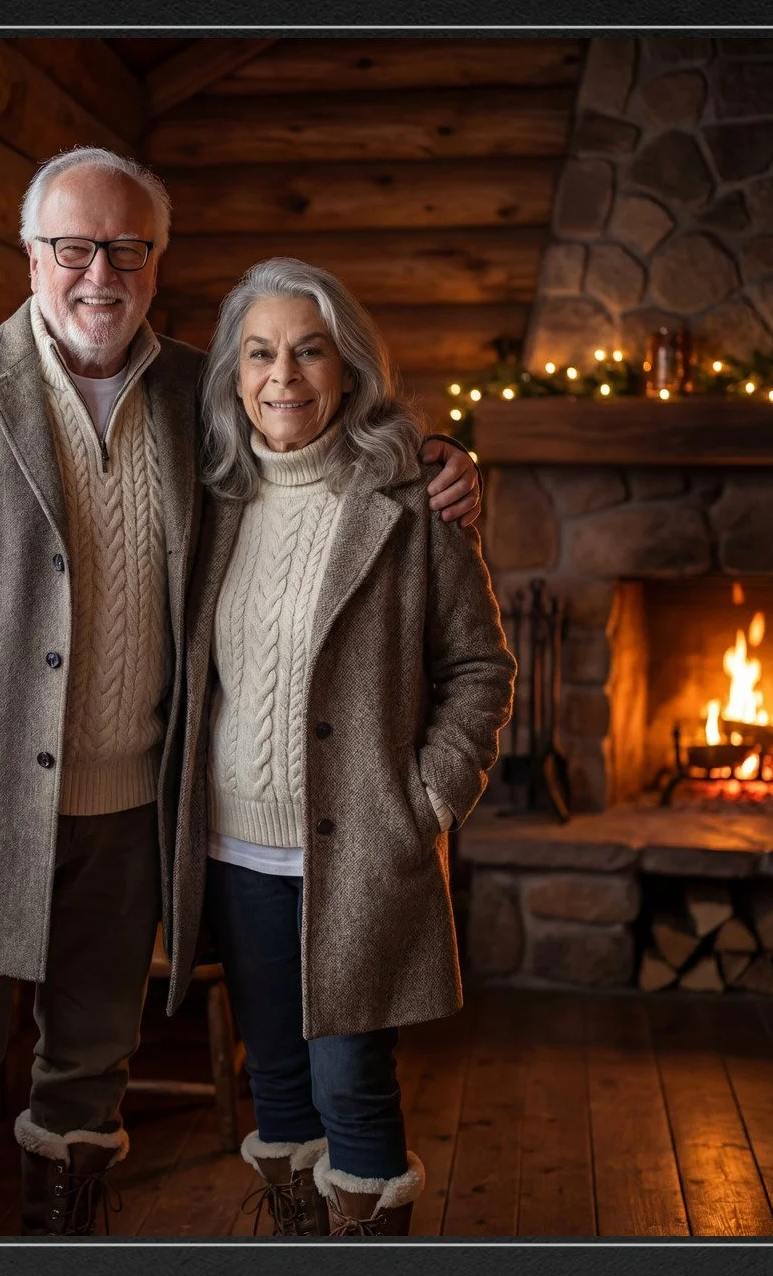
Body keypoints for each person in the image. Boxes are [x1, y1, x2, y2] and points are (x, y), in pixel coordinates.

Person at [0, 149, 482, 1237]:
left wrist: (443, 457)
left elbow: (319, 443)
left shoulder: (202, 388)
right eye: (75, 246)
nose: (101, 272)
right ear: (33, 255)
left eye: (127, 248)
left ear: (157, 259)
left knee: (92, 1062)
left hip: (138, 806)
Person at [170, 257, 515, 1237]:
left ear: (348, 367)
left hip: (361, 852)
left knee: (352, 1087)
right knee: (277, 1094)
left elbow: (481, 669)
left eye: (309, 350)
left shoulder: (412, 503)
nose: (285, 375)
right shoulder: (210, 500)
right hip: (235, 854)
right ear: (234, 375)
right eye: (261, 352)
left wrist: (424, 801)